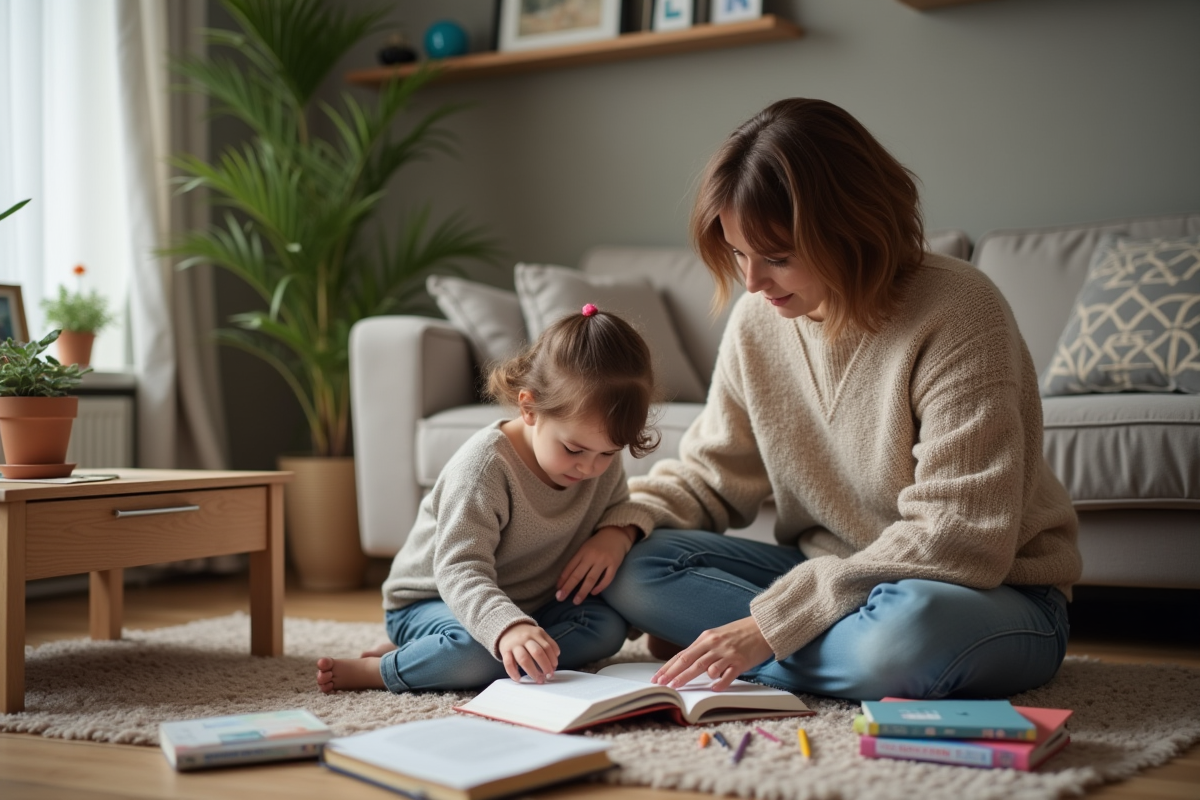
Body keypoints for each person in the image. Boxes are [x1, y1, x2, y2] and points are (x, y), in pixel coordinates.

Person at [601, 98, 1083, 702]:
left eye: (778, 258)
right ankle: (810, 656)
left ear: (852, 229)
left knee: (900, 642)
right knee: (633, 569)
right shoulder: (757, 320)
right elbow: (710, 475)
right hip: (829, 580)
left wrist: (770, 626)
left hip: (979, 591)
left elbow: (961, 535)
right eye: (738, 253)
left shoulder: (961, 310)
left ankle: (747, 651)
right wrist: (622, 524)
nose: (752, 282)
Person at [317, 304, 658, 693]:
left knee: (605, 628)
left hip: (532, 605)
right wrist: (507, 628)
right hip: (435, 599)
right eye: (574, 449)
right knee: (476, 653)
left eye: (608, 453)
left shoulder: (598, 459)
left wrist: (618, 532)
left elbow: (620, 506)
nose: (590, 468)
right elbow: (459, 569)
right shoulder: (484, 468)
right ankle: (381, 669)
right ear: (529, 408)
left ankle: (444, 655)